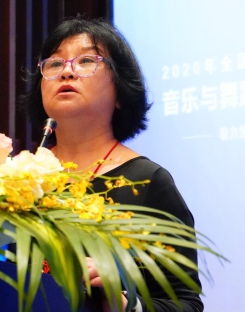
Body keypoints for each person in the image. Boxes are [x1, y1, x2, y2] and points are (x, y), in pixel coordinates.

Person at [22, 17, 204, 312]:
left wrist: (123, 303)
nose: (66, 71)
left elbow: (186, 304)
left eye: (86, 61)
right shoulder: (13, 178)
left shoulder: (147, 182)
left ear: (120, 92)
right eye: (54, 63)